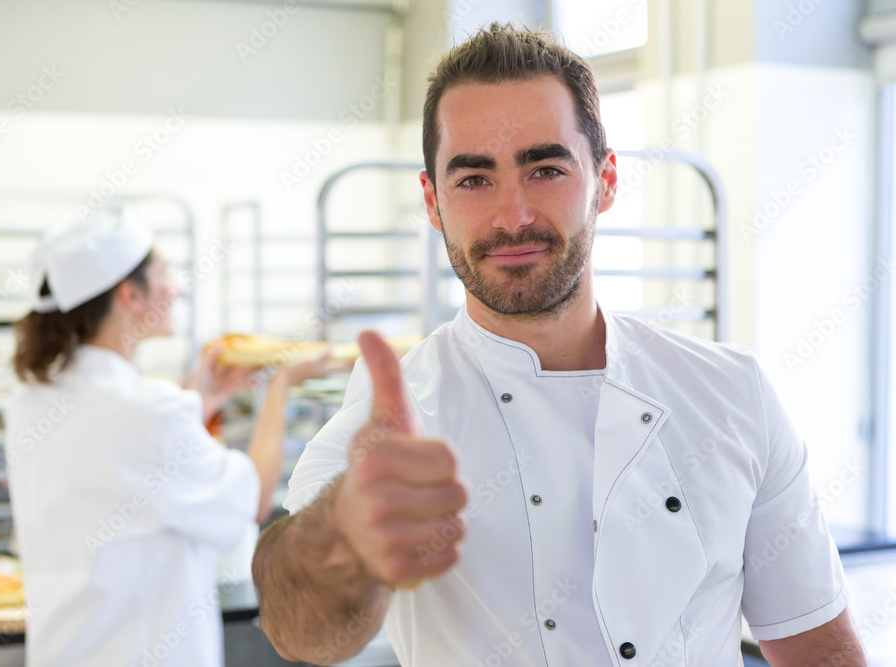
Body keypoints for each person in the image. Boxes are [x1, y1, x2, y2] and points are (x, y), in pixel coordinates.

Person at [251, 23, 867, 667]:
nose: (513, 216)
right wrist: (344, 536)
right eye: (474, 179)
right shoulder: (397, 416)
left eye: (545, 169)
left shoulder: (732, 391)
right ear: (432, 203)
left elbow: (816, 644)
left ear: (606, 179)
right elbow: (298, 632)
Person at [4, 206, 348, 666]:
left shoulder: (31, 399)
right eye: (164, 273)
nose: (177, 288)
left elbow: (126, 457)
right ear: (130, 294)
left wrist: (203, 396)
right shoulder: (149, 412)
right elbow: (252, 499)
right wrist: (281, 385)